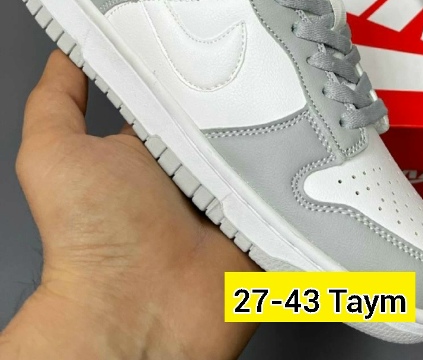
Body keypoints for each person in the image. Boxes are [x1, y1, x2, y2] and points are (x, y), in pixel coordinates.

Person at [0, 50, 259, 359]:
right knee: (311, 299)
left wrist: (112, 304)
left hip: (233, 298)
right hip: (240, 294)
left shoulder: (230, 300)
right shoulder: (237, 297)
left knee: (308, 297)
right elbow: (278, 298)